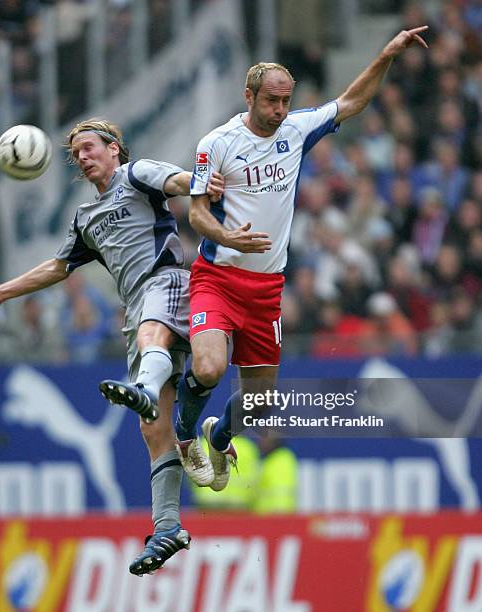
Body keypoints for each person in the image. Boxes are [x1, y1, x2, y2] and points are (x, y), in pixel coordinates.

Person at [0, 118, 223, 576]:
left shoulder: (138, 174)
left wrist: (203, 181)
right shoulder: (86, 218)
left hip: (169, 283)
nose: (83, 157)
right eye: (77, 153)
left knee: (152, 338)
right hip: (137, 306)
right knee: (152, 432)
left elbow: (179, 181)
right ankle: (168, 528)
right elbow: (58, 267)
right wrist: (1, 293)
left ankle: (148, 387)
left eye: (90, 148)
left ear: (114, 149)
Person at [175, 27, 430, 490]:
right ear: (248, 95)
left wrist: (387, 54)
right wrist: (229, 235)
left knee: (258, 405)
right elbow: (196, 215)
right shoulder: (217, 144)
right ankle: (184, 437)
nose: (279, 110)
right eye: (271, 100)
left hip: (267, 288)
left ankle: (218, 438)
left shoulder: (295, 130)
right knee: (209, 368)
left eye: (286, 100)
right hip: (217, 278)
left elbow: (351, 102)